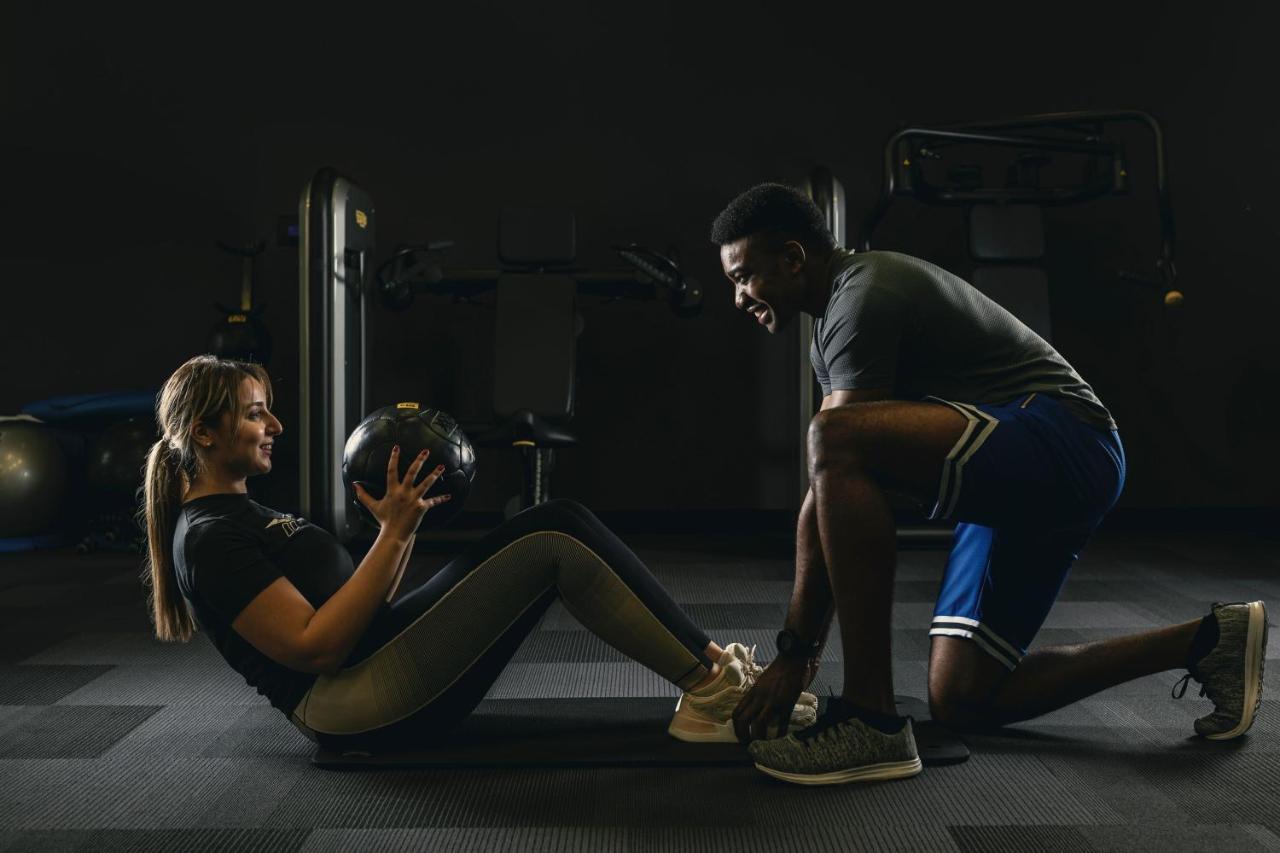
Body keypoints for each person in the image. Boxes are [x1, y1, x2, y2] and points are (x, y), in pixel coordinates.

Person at [711, 183, 1267, 786]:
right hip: (1016, 473)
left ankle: (871, 721)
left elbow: (835, 447)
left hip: (1066, 440)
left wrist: (795, 658)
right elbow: (827, 488)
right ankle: (1210, 640)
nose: (739, 297)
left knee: (834, 433)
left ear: (793, 258)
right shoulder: (831, 325)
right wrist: (799, 655)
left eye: (744, 277)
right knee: (965, 697)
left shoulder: (864, 293)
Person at [141, 354, 817, 753]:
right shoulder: (207, 537)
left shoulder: (238, 513)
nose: (275, 425)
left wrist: (398, 527)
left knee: (556, 526)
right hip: (349, 705)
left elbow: (362, 607)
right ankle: (714, 693)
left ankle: (713, 680)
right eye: (257, 412)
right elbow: (318, 647)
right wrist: (394, 534)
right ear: (203, 432)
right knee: (553, 530)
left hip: (373, 667)